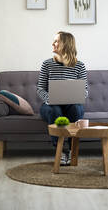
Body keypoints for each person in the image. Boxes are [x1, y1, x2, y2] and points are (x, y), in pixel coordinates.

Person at [37, 31, 88, 165]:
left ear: (66, 44)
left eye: (56, 41)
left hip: (71, 105)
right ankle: (60, 150)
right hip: (50, 105)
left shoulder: (79, 66)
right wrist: (50, 98)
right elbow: (40, 89)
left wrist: (76, 96)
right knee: (55, 111)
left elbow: (85, 91)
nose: (53, 43)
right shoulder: (47, 64)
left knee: (76, 109)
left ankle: (72, 150)